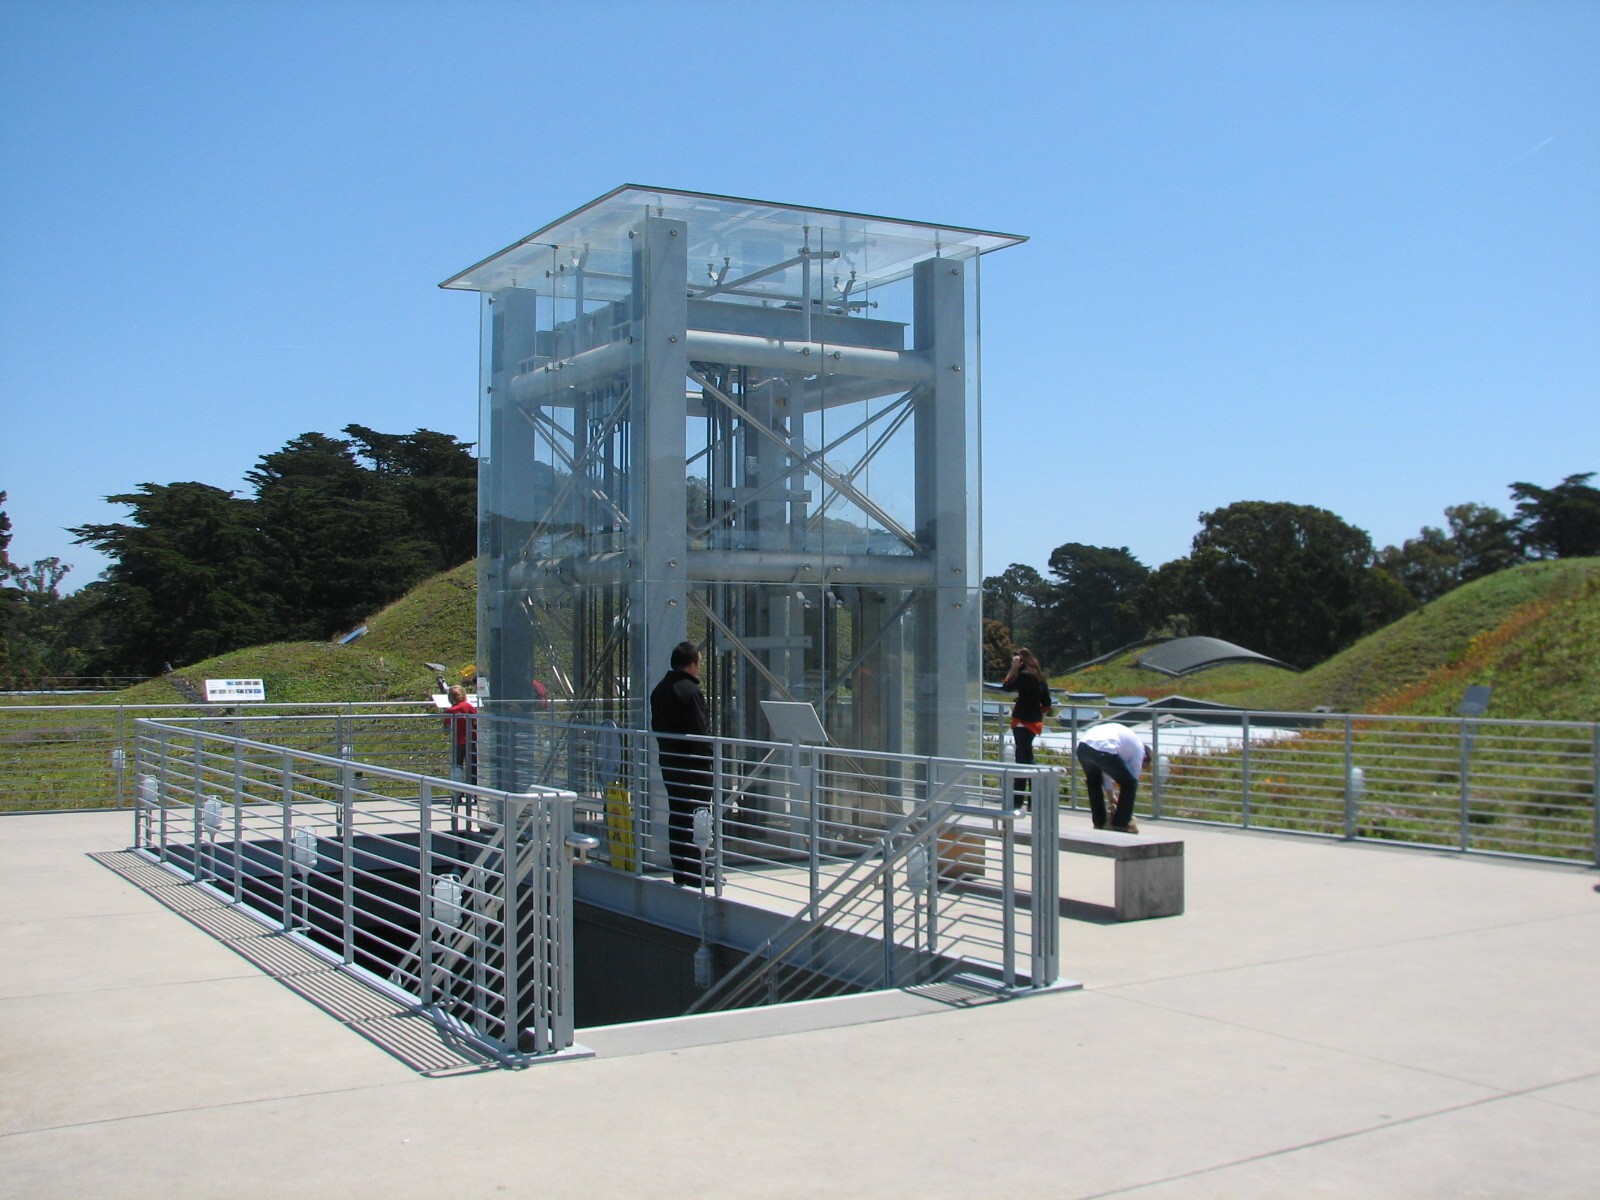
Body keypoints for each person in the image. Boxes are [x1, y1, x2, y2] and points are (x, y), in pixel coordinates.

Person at [649, 640, 713, 887]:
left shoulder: (660, 690)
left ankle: (681, 869)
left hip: (670, 763)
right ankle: (698, 872)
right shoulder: (690, 691)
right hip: (693, 766)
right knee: (698, 817)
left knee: (678, 814)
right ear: (693, 663)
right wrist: (709, 757)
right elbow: (700, 732)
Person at [1001, 647, 1052, 810]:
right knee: (1023, 757)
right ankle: (1025, 799)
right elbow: (1047, 703)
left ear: (1020, 660)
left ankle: (1023, 799)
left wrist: (1013, 669)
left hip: (1022, 721)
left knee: (1024, 759)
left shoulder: (1023, 675)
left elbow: (1006, 686)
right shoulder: (1039, 676)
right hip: (1034, 722)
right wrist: (1039, 717)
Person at [1076, 721, 1147, 833]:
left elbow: (1105, 768)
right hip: (1104, 748)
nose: (1143, 766)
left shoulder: (1126, 744)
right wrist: (1124, 805)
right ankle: (1121, 824)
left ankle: (1100, 822)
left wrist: (1111, 795)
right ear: (1146, 757)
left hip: (1083, 748)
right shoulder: (1139, 750)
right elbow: (1133, 778)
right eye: (1145, 764)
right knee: (1130, 784)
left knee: (1094, 783)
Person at [442, 684, 477, 785]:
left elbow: (446, 728)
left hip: (457, 742)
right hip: (470, 741)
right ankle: (473, 793)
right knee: (472, 767)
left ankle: (458, 793)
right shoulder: (467, 706)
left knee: (457, 767)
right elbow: (476, 719)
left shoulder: (449, 711)